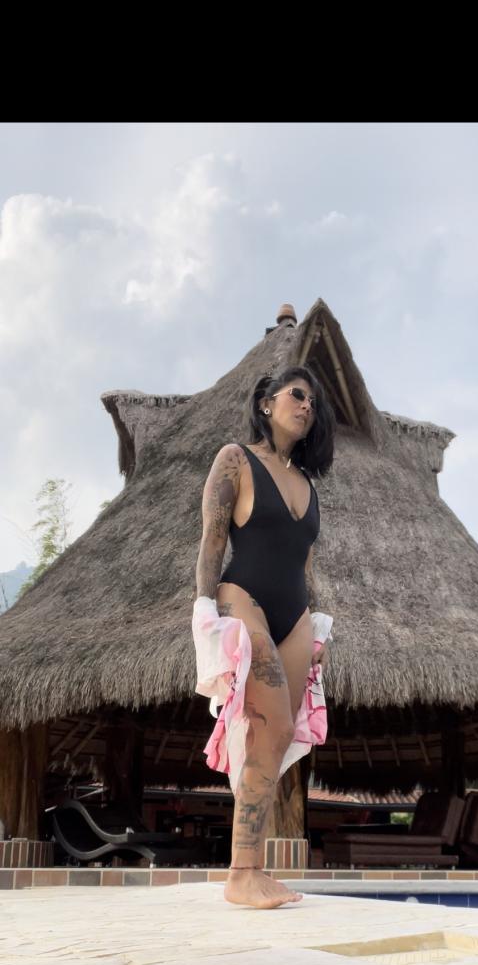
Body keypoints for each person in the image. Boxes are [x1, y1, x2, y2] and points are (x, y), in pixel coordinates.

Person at [195, 366, 334, 909]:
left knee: (277, 738)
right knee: (266, 722)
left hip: (295, 614)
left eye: (313, 402)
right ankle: (241, 874)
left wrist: (317, 627)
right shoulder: (235, 459)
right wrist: (204, 611)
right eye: (297, 395)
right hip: (242, 598)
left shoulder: (309, 487)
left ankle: (254, 867)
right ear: (266, 404)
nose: (306, 406)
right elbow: (212, 541)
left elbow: (306, 565)